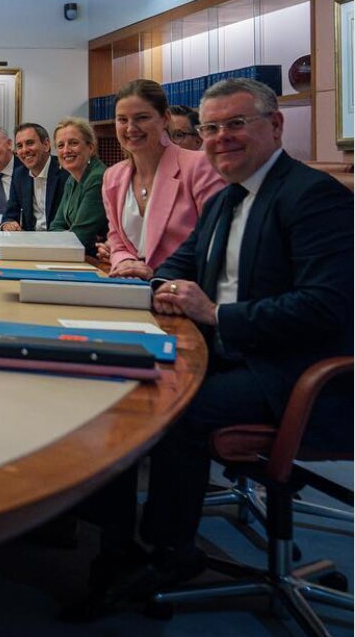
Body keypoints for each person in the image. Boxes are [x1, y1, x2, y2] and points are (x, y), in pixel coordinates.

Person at [84, 78, 353, 608]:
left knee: (171, 410)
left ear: (275, 126)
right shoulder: (227, 196)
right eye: (210, 128)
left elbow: (326, 308)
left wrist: (216, 314)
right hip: (225, 351)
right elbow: (181, 263)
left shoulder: (313, 196)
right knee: (119, 385)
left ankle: (170, 551)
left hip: (291, 374)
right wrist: (159, 286)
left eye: (236, 124)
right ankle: (115, 547)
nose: (219, 138)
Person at [102, 79, 224, 279]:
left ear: (165, 118)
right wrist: (125, 263)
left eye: (142, 118)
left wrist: (157, 275)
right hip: (131, 287)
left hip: (182, 288)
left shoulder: (200, 167)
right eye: (122, 120)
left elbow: (215, 243)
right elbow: (117, 242)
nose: (131, 128)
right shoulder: (112, 176)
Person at [48, 117, 108, 253]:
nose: (66, 150)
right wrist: (70, 234)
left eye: (73, 143)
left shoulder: (97, 178)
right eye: (60, 146)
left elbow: (81, 238)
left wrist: (71, 234)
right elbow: (55, 227)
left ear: (90, 148)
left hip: (99, 258)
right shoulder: (71, 179)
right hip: (78, 254)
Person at [1, 122, 65, 232]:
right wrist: (8, 224)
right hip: (29, 239)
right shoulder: (19, 175)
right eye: (19, 146)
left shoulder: (65, 171)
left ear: (46, 145)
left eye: (30, 143)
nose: (24, 150)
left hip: (58, 238)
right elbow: (10, 215)